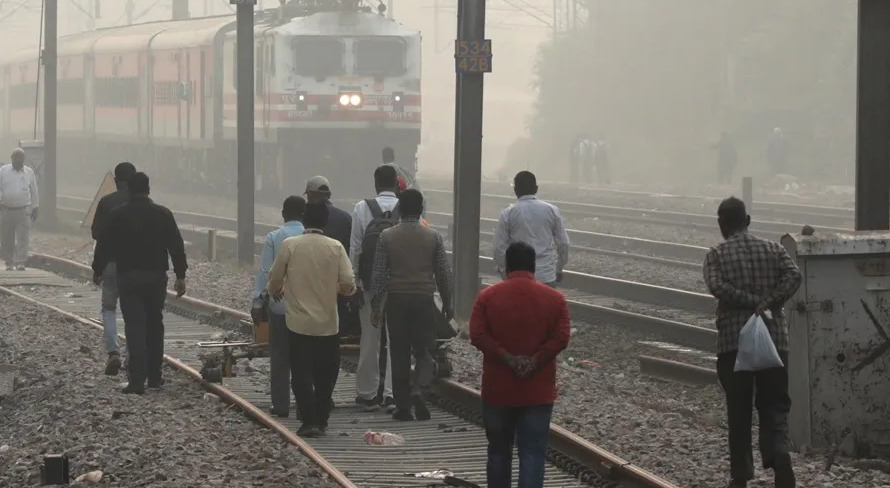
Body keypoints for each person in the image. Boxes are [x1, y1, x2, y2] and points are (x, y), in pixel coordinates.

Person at [702, 197, 801, 488]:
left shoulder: (716, 254)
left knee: (739, 407)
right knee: (774, 404)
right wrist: (768, 301)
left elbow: (717, 286)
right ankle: (780, 457)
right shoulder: (773, 249)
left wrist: (748, 301)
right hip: (774, 340)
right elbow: (794, 275)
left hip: (734, 343)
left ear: (721, 224)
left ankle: (741, 475)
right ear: (748, 221)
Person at [470, 241, 571, 488]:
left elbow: (478, 334)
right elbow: (561, 337)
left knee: (498, 451)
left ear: (506, 266)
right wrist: (534, 361)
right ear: (534, 267)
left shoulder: (487, 297)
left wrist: (508, 358)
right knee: (533, 453)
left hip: (498, 390)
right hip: (537, 391)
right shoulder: (555, 299)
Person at [91, 172, 188, 395]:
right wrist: (180, 275)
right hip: (156, 277)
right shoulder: (163, 214)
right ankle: (155, 377)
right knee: (155, 324)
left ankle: (136, 381)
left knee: (135, 326)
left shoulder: (118, 214)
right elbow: (176, 245)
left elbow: (103, 244)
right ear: (148, 189)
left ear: (129, 190)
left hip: (130, 277)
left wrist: (98, 269)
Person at [267, 202, 356, 437]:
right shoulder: (335, 247)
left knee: (301, 372)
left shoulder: (290, 245)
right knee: (326, 373)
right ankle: (322, 418)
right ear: (325, 222)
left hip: (298, 323)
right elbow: (348, 282)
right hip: (328, 323)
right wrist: (339, 290)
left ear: (304, 220)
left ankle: (309, 421)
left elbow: (275, 278)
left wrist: (276, 290)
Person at [368, 189, 453, 421]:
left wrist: (376, 307)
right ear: (421, 209)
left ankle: (403, 407)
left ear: (401, 210)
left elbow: (378, 275)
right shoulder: (433, 237)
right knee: (424, 350)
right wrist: (448, 302)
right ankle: (420, 389)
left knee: (399, 353)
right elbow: (444, 273)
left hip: (396, 300)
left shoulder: (387, 236)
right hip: (423, 299)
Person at [251, 195, 306, 418]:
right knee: (305, 358)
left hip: (280, 307)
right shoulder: (312, 238)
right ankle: (305, 404)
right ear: (304, 214)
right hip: (308, 309)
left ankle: (281, 404)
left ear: (283, 214)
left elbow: (266, 272)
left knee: (280, 356)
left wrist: (258, 300)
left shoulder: (275, 237)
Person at [349, 165, 398, 412]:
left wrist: (354, 283)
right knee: (396, 340)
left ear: (376, 183)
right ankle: (392, 394)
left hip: (369, 285)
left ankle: (367, 394)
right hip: (398, 285)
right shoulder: (406, 207)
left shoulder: (362, 208)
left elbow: (356, 248)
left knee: (370, 340)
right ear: (397, 184)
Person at [90, 161, 136, 376]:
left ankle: (113, 353)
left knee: (109, 309)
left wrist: (97, 268)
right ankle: (132, 357)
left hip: (110, 264)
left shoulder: (106, 203)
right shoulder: (142, 204)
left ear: (116, 181)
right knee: (132, 312)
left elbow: (97, 235)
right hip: (135, 266)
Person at [305, 176, 360, 340]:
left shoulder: (305, 217)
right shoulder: (345, 217)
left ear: (311, 194)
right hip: (337, 282)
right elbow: (352, 249)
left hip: (311, 282)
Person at [493, 171, 570, 287]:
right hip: (546, 276)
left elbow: (498, 249)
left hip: (517, 278)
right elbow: (564, 244)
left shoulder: (508, 214)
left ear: (515, 190)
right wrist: (558, 268)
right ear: (536, 188)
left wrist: (505, 273)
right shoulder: (551, 210)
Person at [0, 148, 39, 271]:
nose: (18, 161)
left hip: (23, 209)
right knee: (7, 237)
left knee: (23, 237)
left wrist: (35, 207)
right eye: (15, 158)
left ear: (24, 159)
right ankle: (9, 261)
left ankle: (20, 262)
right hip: (6, 209)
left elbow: (34, 190)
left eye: (20, 158)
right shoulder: (3, 171)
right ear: (11, 158)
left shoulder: (29, 172)